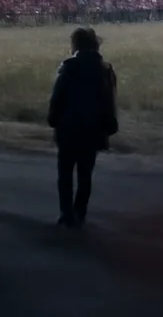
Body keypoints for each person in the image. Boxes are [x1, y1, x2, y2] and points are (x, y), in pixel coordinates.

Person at [47, 27, 118, 227]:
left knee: (65, 173)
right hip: (94, 129)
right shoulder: (105, 68)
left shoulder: (69, 66)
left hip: (69, 128)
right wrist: (110, 124)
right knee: (85, 174)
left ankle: (66, 213)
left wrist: (53, 118)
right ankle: (80, 211)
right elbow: (110, 99)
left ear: (76, 45)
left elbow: (58, 96)